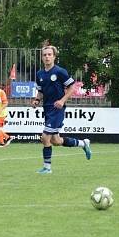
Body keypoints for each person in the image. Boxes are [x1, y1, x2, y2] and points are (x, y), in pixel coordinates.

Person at [31, 45, 91, 174]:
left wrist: (62, 101)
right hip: (47, 109)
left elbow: (71, 88)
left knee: (45, 138)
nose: (47, 57)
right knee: (55, 141)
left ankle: (47, 168)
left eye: (49, 54)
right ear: (42, 57)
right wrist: (37, 100)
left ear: (54, 56)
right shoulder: (39, 74)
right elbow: (40, 91)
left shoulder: (60, 72)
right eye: (44, 55)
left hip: (57, 109)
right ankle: (83, 144)